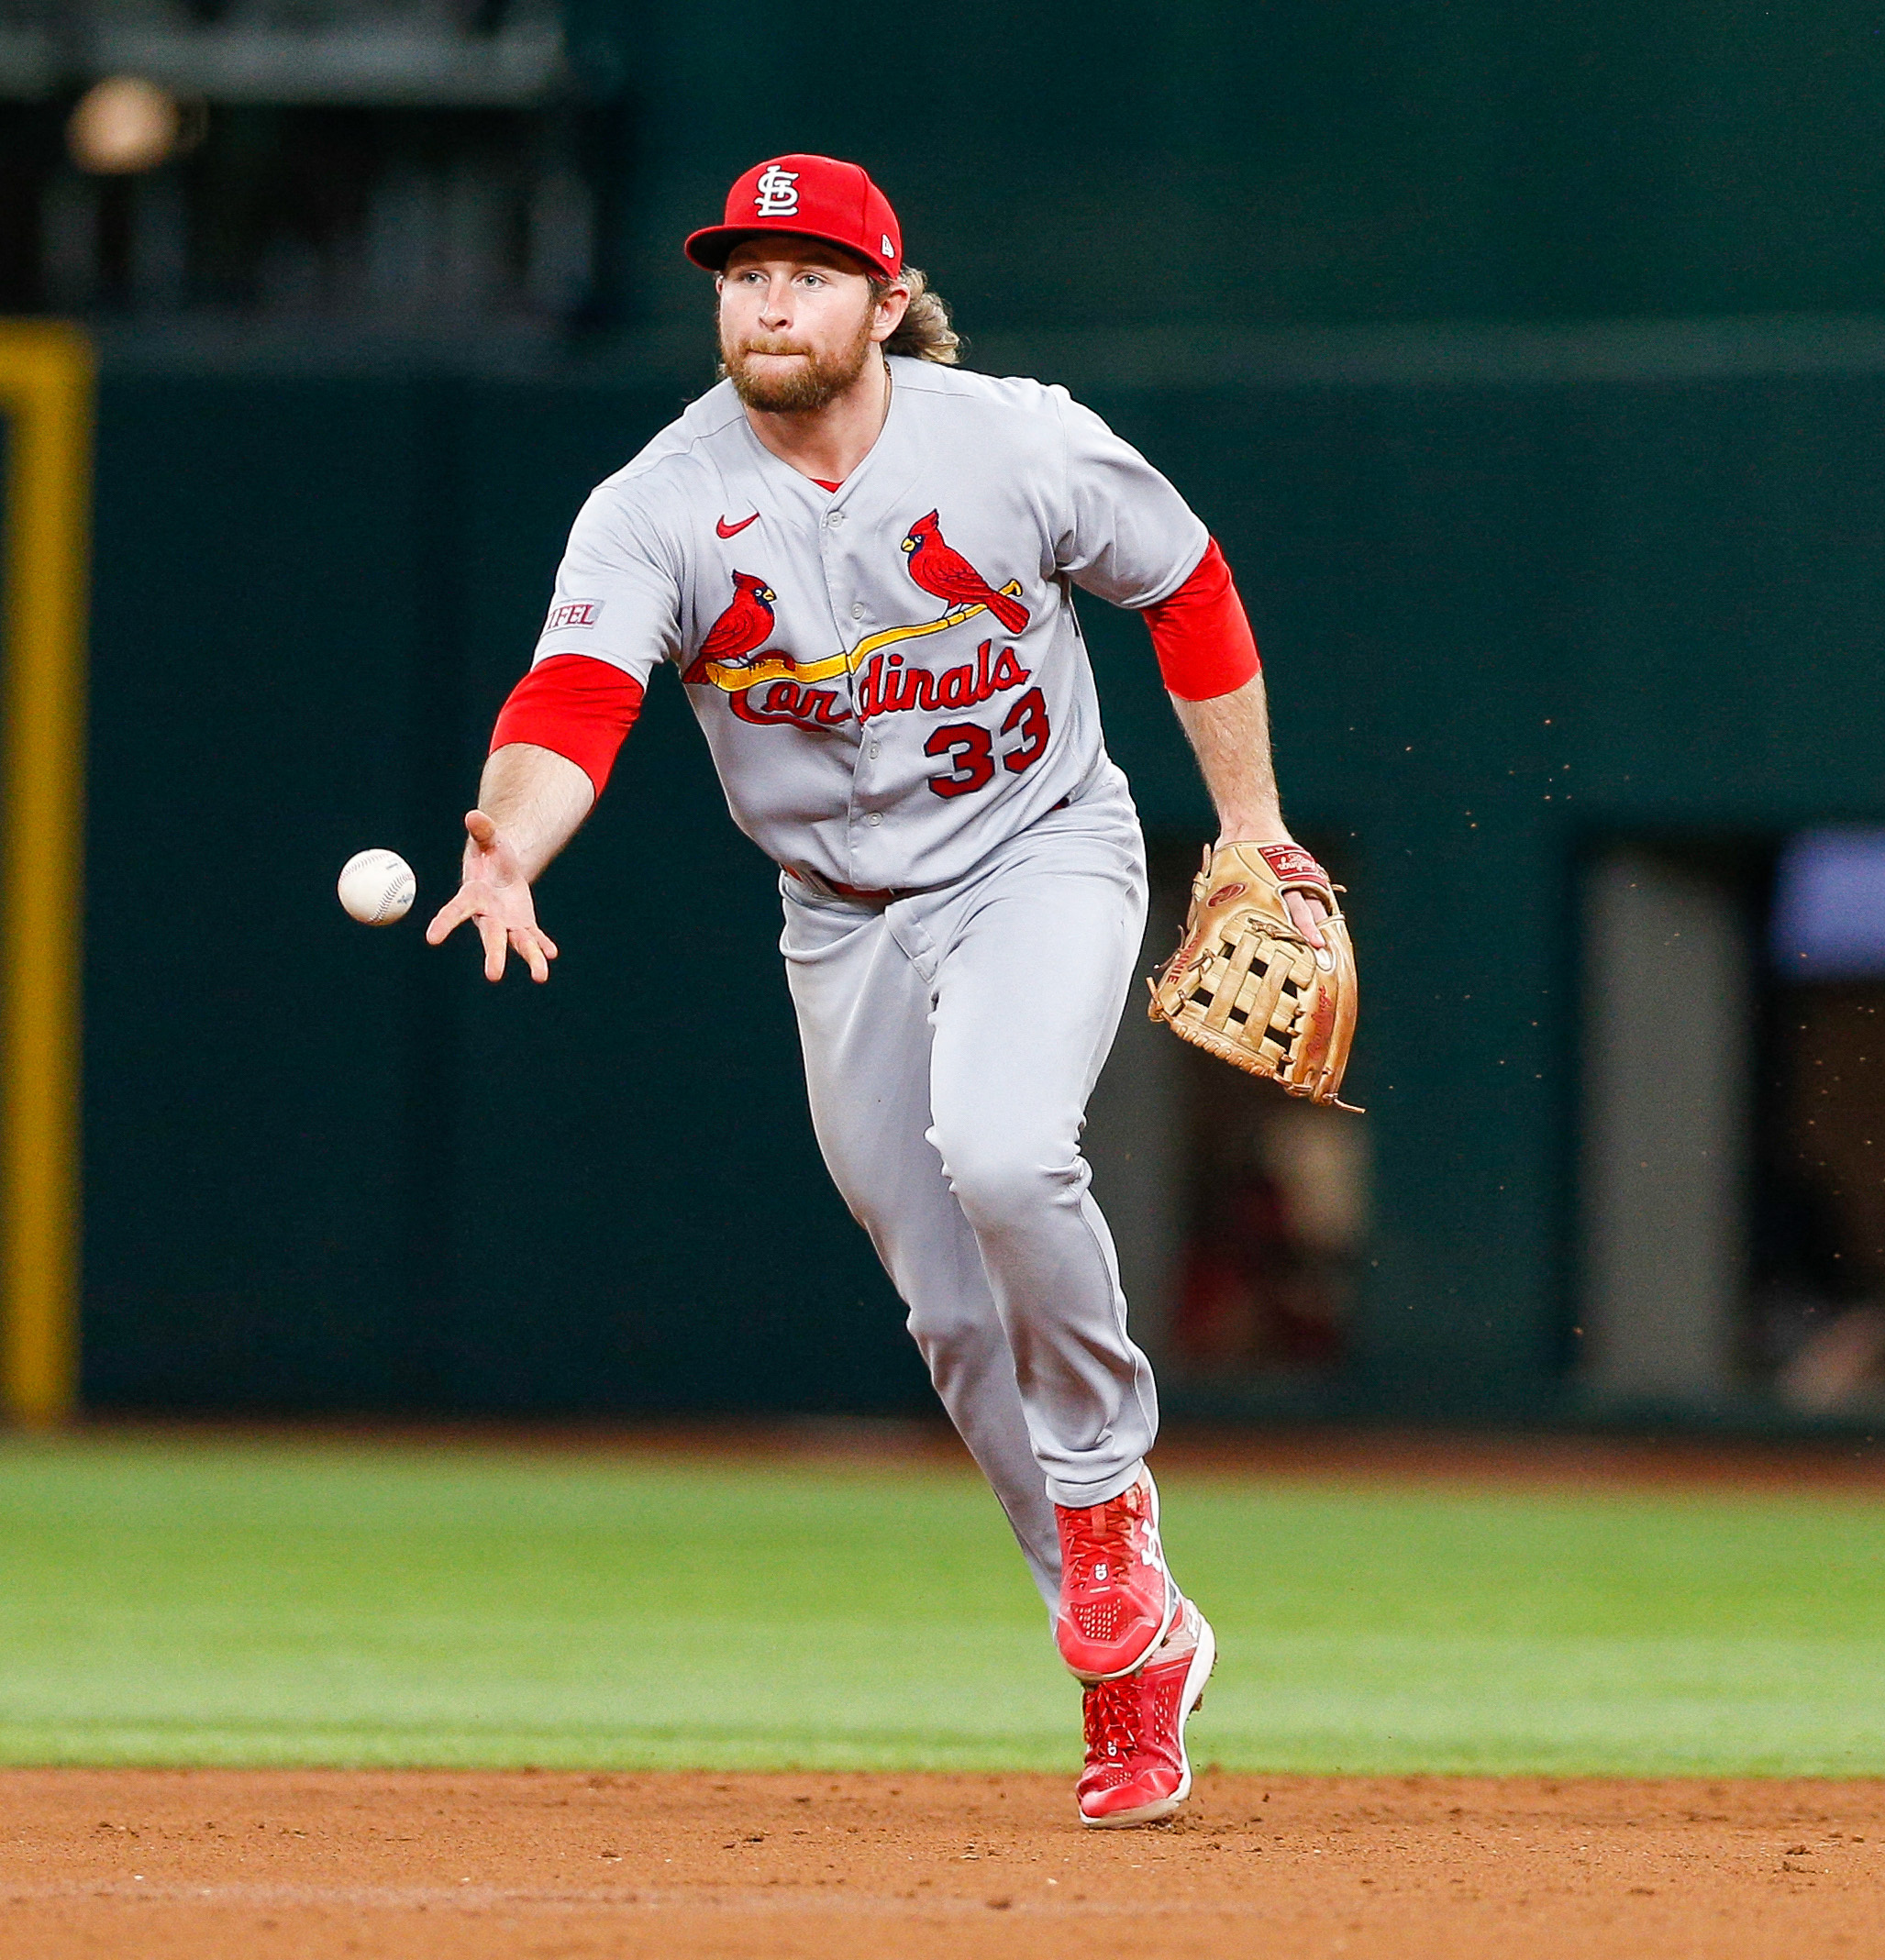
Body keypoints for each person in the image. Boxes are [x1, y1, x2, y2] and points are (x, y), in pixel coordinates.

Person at [426, 152, 1336, 1827]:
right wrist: (512, 848)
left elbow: (1185, 582)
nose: (768, 300)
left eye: (808, 273)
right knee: (944, 1310)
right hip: (836, 918)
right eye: (741, 272)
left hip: (1037, 851)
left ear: (885, 299)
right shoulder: (656, 502)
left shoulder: (1012, 441)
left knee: (1001, 1149)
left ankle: (1108, 1501)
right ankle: (1125, 1653)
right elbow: (571, 697)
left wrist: (1255, 825)